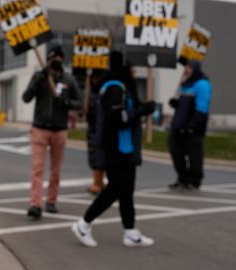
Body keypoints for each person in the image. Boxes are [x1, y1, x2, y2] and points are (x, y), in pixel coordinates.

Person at [71, 51, 156, 247]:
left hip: (125, 148)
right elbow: (116, 117)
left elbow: (127, 111)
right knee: (115, 189)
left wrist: (144, 108)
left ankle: (130, 232)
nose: (134, 73)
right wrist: (142, 111)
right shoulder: (114, 88)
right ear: (124, 68)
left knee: (127, 190)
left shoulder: (120, 87)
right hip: (116, 149)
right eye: (132, 69)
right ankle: (83, 224)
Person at [23, 46, 82, 219]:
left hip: (59, 130)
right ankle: (35, 204)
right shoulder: (40, 77)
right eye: (53, 57)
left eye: (59, 57)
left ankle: (51, 200)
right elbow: (26, 98)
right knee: (37, 169)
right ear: (48, 59)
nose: (56, 60)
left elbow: (79, 103)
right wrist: (38, 79)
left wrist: (67, 102)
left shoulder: (68, 80)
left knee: (55, 170)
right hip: (40, 128)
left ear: (62, 60)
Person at [168, 60, 212, 190]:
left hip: (193, 129)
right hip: (178, 127)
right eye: (186, 67)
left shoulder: (202, 84)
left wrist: (191, 126)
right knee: (176, 153)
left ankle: (194, 180)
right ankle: (183, 178)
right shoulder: (185, 84)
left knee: (194, 156)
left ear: (195, 69)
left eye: (189, 67)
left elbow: (201, 109)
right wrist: (175, 103)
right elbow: (184, 106)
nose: (186, 70)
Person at [84, 69, 106, 194]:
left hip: (100, 129)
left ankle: (99, 182)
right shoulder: (90, 93)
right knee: (93, 156)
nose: (94, 81)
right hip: (92, 128)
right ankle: (97, 181)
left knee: (99, 156)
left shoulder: (103, 93)